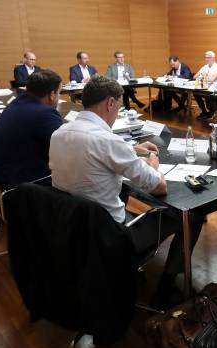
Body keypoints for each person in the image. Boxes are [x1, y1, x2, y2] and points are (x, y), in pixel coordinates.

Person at [49, 75, 204, 308]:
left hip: (73, 229)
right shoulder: (108, 141)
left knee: (125, 190)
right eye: (119, 106)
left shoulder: (59, 133)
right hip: (110, 235)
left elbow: (95, 153)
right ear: (110, 103)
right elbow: (159, 187)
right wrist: (152, 161)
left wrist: (131, 149)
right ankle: (166, 288)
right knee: (191, 216)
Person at [0, 70, 63, 190]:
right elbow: (67, 146)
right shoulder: (45, 113)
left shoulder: (16, 103)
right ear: (52, 95)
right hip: (18, 185)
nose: (59, 97)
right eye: (59, 93)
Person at [193, 50, 217, 119]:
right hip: (206, 86)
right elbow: (194, 76)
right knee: (196, 93)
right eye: (205, 57)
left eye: (208, 57)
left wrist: (203, 76)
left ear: (213, 58)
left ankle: (212, 111)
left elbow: (212, 79)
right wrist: (205, 76)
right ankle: (204, 111)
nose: (206, 59)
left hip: (216, 88)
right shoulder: (205, 67)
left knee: (207, 93)